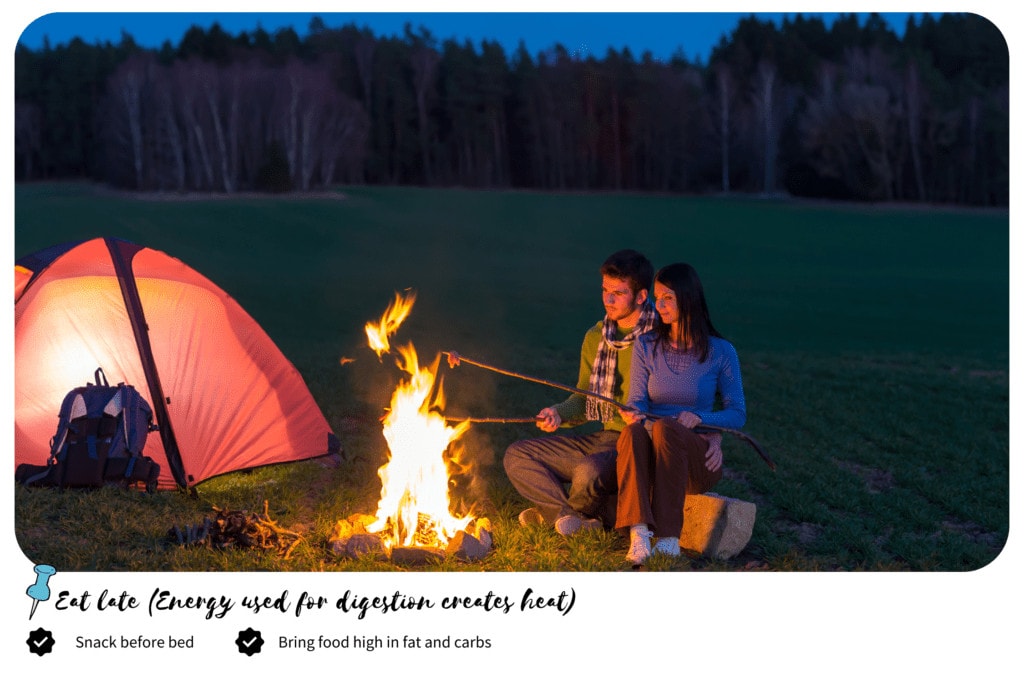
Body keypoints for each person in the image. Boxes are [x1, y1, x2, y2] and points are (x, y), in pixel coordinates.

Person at [502, 249, 656, 536]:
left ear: (641, 296)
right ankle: (572, 518)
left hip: (637, 443)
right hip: (603, 439)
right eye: (605, 290)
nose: (608, 300)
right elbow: (584, 398)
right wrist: (558, 414)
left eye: (619, 293)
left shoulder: (661, 338)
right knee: (518, 455)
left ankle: (558, 515)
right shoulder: (596, 337)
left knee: (588, 471)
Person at [616, 262, 746, 564]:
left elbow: (737, 413)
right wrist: (632, 413)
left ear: (687, 298)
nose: (658, 305)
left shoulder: (721, 351)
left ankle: (669, 539)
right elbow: (636, 400)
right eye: (656, 298)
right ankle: (639, 534)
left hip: (695, 457)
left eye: (667, 298)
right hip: (653, 453)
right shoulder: (646, 345)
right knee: (632, 431)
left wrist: (703, 420)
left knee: (667, 429)